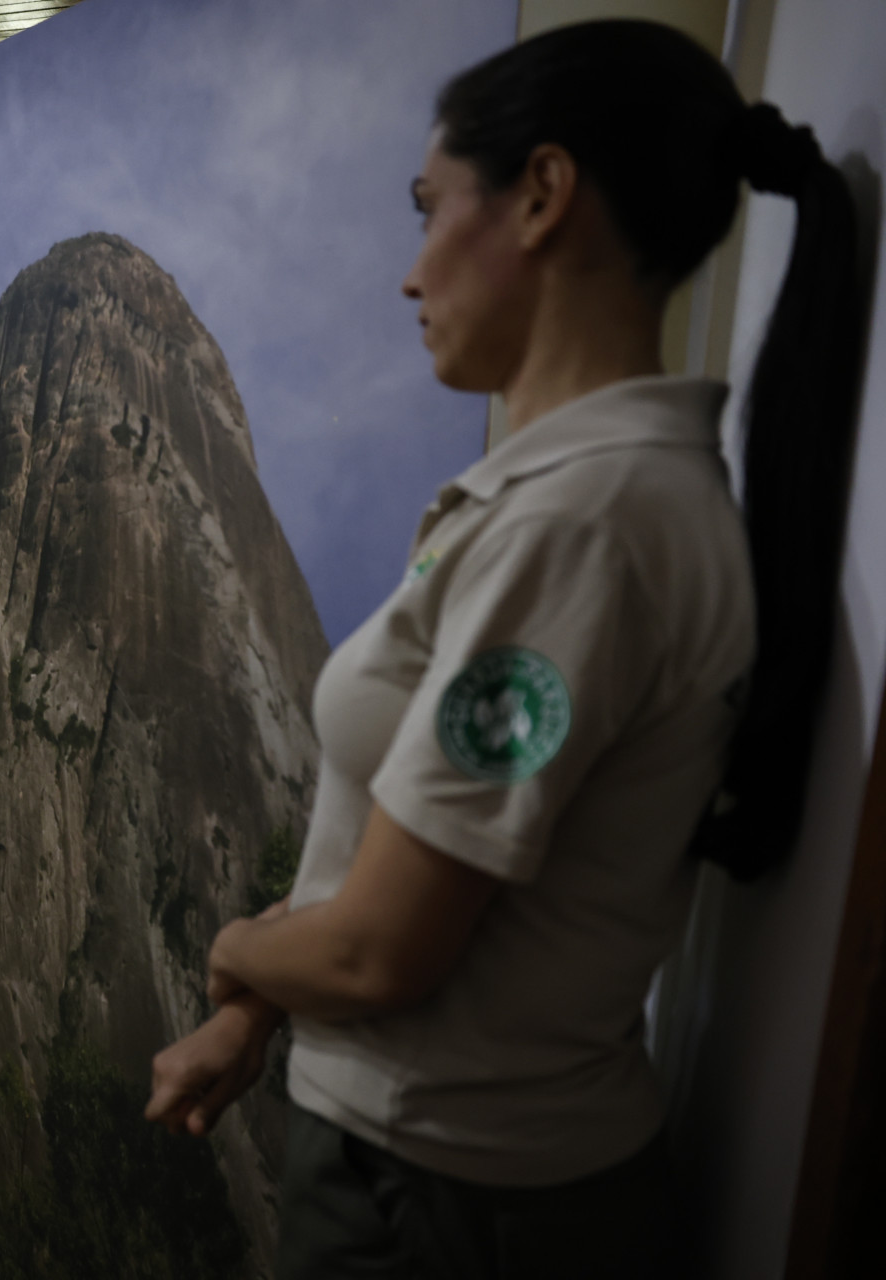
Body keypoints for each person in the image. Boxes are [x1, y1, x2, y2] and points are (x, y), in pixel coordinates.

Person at [145, 20, 862, 1278]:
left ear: (542, 195)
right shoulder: (573, 503)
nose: (413, 272)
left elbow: (384, 945)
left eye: (432, 210)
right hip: (450, 1171)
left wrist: (233, 953)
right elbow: (409, 859)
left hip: (446, 1201)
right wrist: (258, 1014)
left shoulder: (587, 527)